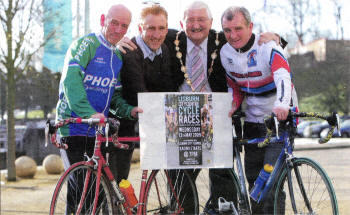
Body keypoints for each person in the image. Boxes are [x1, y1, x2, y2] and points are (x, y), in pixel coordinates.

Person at [55, 4, 143, 209]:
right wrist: (90, 113)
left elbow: (115, 96)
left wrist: (128, 110)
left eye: (124, 26)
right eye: (114, 23)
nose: (119, 30)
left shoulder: (117, 56)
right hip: (73, 127)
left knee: (98, 194)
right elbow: (71, 81)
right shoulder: (86, 44)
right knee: (82, 192)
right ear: (103, 19)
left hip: (96, 133)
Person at [220, 6, 298, 214]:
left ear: (250, 26)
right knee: (254, 184)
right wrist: (232, 105)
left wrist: (282, 104)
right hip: (254, 123)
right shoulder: (225, 53)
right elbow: (234, 86)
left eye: (238, 28)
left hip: (280, 120)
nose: (233, 35)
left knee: (270, 183)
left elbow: (283, 75)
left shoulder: (267, 45)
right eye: (227, 30)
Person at [110, 4, 176, 184]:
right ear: (140, 28)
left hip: (147, 118)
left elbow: (196, 29)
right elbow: (140, 94)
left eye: (162, 28)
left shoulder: (167, 47)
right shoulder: (129, 51)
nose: (157, 34)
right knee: (115, 184)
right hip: (121, 123)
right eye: (150, 28)